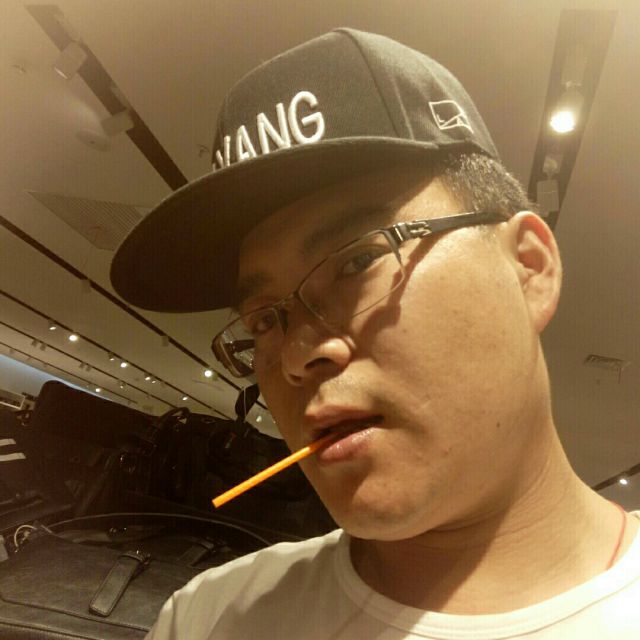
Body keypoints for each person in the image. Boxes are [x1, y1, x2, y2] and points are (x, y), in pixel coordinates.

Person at [111, 28, 640, 639]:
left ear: (529, 269)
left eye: (359, 261)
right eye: (263, 320)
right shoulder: (210, 619)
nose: (296, 357)